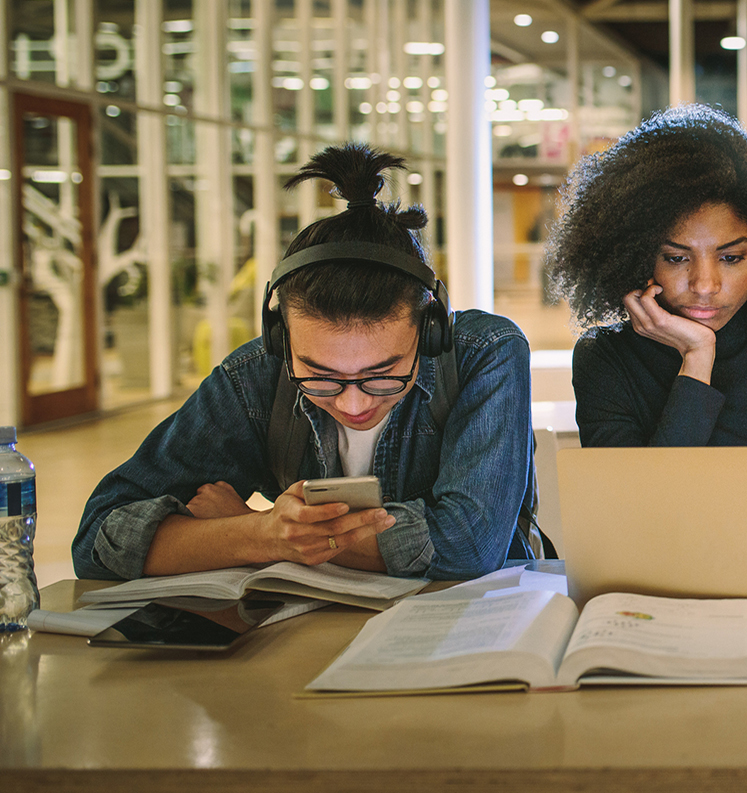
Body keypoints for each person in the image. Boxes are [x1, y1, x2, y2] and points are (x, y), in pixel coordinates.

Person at [74, 144, 537, 580]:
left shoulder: (484, 354)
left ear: (430, 329)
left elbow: (470, 546)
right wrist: (261, 533)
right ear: (280, 338)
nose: (354, 404)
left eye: (383, 375)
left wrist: (249, 527)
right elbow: (98, 538)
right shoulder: (255, 375)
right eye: (320, 376)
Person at [546, 104, 747, 557]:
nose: (705, 285)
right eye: (677, 258)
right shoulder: (605, 358)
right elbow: (637, 522)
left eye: (731, 257)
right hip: (661, 596)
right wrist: (697, 359)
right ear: (637, 255)